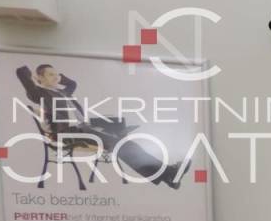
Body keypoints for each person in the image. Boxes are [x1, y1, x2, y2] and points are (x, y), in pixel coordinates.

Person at [16, 64, 191, 189]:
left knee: (122, 137)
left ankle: (168, 176)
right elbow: (21, 74)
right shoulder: (41, 94)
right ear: (40, 78)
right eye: (50, 75)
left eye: (56, 75)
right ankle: (168, 174)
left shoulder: (62, 92)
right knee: (121, 143)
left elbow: (72, 84)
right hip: (66, 133)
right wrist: (32, 77)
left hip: (84, 128)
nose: (56, 77)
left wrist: (59, 77)